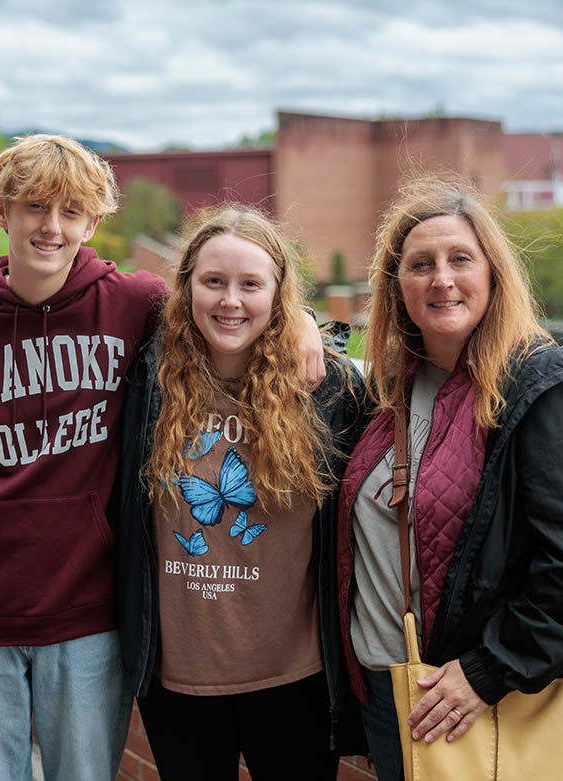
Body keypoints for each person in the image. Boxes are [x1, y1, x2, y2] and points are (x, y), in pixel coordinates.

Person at [0, 135, 326, 781]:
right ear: (1, 211)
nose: (51, 226)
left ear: (93, 220)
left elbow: (230, 304)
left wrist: (301, 317)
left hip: (88, 607)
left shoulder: (131, 303)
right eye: (33, 207)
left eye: (70, 210)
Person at [338, 173, 563, 780]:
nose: (441, 279)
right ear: (396, 287)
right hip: (392, 693)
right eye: (420, 264)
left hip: (483, 701)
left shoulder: (545, 389)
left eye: (460, 260)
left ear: (493, 273)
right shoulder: (392, 390)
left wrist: (487, 671)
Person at [114, 206, 368, 780]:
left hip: (294, 678)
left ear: (279, 294)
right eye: (214, 282)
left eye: (251, 284)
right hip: (177, 677)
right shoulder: (144, 378)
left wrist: (306, 322)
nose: (231, 300)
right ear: (188, 288)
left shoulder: (328, 389)